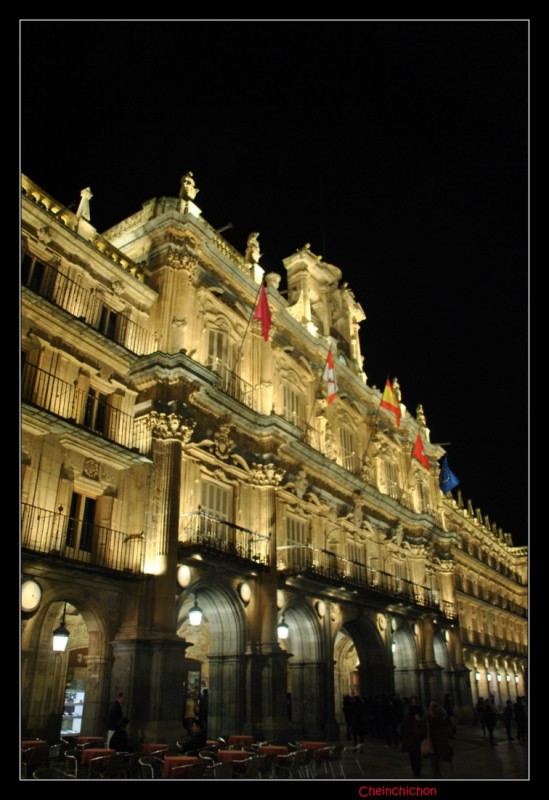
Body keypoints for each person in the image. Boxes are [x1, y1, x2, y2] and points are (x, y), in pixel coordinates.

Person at [427, 701, 453, 777]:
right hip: (442, 743)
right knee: (442, 764)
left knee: (435, 764)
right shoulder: (443, 720)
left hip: (434, 744)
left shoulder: (431, 720)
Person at [401, 703, 427, 778]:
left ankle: (415, 771)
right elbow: (421, 730)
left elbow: (403, 729)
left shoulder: (406, 719)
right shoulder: (417, 719)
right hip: (416, 740)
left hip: (409, 740)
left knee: (412, 756)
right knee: (417, 756)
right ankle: (417, 771)